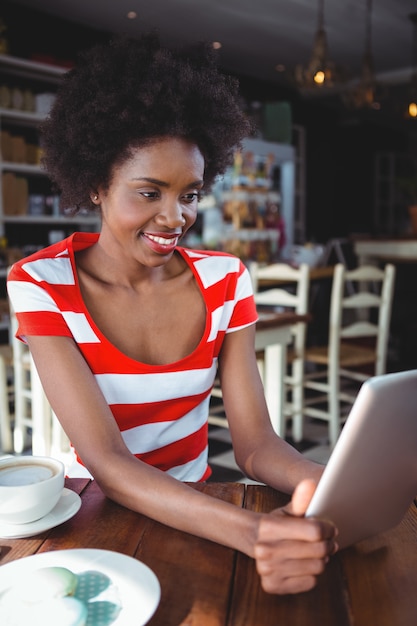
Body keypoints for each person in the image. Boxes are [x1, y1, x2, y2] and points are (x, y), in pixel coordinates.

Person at [7, 33, 337, 595]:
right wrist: (253, 532)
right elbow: (110, 464)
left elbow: (255, 444)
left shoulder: (225, 278)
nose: (173, 216)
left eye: (189, 193)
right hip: (97, 518)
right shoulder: (43, 283)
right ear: (95, 184)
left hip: (201, 507)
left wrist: (325, 484)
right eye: (148, 191)